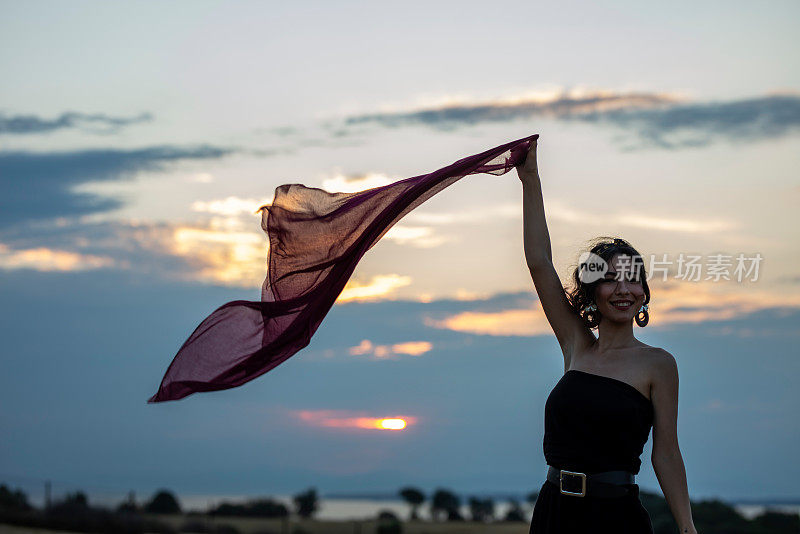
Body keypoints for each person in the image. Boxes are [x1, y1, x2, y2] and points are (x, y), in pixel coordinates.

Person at [517, 138, 697, 533]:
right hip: (554, 514)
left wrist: (686, 527)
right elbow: (539, 263)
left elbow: (666, 453)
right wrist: (530, 178)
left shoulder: (658, 364)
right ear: (592, 292)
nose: (623, 290)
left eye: (632, 280)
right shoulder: (576, 344)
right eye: (610, 280)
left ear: (644, 292)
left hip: (615, 518)